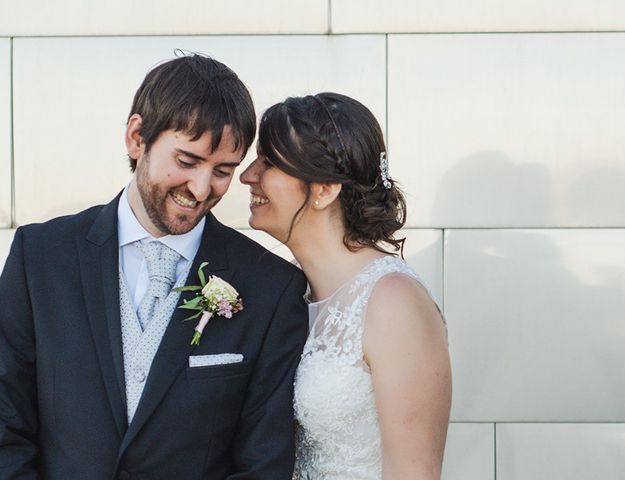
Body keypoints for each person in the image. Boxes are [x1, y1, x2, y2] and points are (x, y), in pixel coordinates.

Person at [0, 53, 308, 479]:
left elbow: (264, 462)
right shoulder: (40, 257)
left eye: (222, 170)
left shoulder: (271, 287)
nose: (201, 190)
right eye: (187, 162)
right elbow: (5, 422)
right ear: (136, 137)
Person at [239, 92, 452, 479]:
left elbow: (414, 472)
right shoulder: (287, 290)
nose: (247, 175)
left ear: (323, 189)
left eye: (268, 162)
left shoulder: (393, 302)